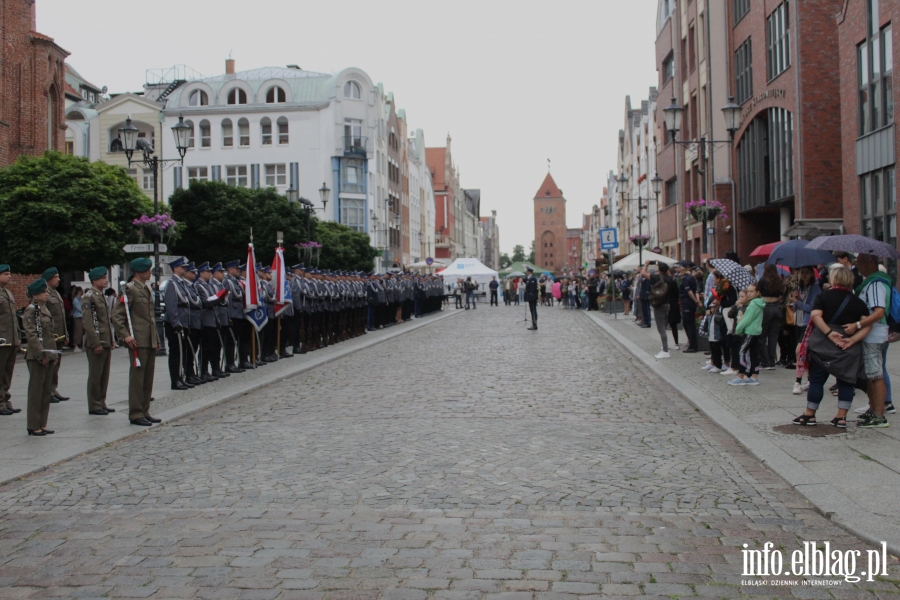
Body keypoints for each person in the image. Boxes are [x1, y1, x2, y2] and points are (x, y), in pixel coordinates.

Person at [791, 266, 871, 428]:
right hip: (847, 346)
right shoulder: (858, 302)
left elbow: (815, 315)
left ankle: (810, 414)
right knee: (846, 381)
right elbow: (867, 325)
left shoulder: (824, 297)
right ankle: (841, 417)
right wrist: (853, 339)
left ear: (833, 279)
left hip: (823, 346)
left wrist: (829, 333)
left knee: (816, 380)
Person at [846, 253, 893, 427]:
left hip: (874, 334)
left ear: (871, 262)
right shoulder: (871, 283)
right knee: (870, 375)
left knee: (875, 374)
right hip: (873, 333)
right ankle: (874, 410)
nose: (857, 265)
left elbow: (878, 312)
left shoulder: (875, 284)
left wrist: (857, 325)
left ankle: (879, 415)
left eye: (860, 262)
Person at [112, 257, 160, 426]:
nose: (150, 273)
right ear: (139, 272)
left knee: (148, 378)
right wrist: (125, 335)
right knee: (138, 379)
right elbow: (117, 315)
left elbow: (151, 318)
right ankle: (135, 413)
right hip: (137, 339)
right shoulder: (130, 289)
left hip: (149, 339)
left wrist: (156, 338)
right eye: (148, 270)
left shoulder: (145, 288)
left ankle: (145, 410)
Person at [23, 278, 58, 436]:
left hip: (48, 354)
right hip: (37, 356)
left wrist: (53, 354)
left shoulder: (43, 308)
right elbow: (32, 335)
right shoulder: (32, 310)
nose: (46, 295)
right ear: (35, 295)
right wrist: (41, 354)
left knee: (46, 391)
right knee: (36, 392)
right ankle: (33, 425)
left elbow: (49, 334)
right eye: (43, 292)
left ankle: (42, 423)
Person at [82, 267, 116, 416]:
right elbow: (89, 322)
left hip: (106, 339)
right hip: (96, 340)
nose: (106, 280)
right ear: (95, 280)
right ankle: (94, 404)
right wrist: (95, 342)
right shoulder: (89, 297)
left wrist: (111, 339)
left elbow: (107, 321)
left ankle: (102, 401)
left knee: (104, 374)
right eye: (103, 278)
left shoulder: (101, 295)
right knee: (95, 375)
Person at [41, 267, 69, 404]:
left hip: (59, 335)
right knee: (50, 364)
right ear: (48, 278)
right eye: (56, 277)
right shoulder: (44, 293)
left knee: (56, 365)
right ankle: (47, 390)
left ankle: (53, 388)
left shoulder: (56, 293)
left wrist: (65, 334)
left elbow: (61, 317)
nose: (58, 279)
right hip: (51, 335)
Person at [729, 283, 764, 386]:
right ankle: (754, 376)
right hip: (755, 332)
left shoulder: (753, 304)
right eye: (748, 291)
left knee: (742, 352)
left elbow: (746, 320)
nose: (749, 293)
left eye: (751, 291)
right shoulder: (759, 303)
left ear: (758, 293)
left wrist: (738, 329)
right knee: (753, 354)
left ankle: (740, 376)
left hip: (749, 332)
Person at [0, 264, 21, 417]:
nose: (9, 276)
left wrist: (17, 337)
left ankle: (5, 400)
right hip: (1, 339)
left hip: (11, 338)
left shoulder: (7, 292)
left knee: (8, 372)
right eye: (6, 274)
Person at [757, 264, 785, 370]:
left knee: (762, 336)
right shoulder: (778, 280)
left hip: (766, 307)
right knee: (773, 337)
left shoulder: (763, 280)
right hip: (777, 307)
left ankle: (765, 362)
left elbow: (758, 292)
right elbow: (782, 293)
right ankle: (772, 361)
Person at [678, 265, 700, 353]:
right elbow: (696, 291)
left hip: (687, 303)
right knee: (690, 324)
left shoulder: (686, 279)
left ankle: (692, 345)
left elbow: (689, 291)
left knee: (688, 325)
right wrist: (697, 301)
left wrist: (695, 301)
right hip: (690, 303)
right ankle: (692, 344)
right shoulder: (692, 278)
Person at [70, 287, 84, 352]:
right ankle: (75, 345)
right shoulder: (75, 299)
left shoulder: (81, 299)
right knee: (78, 331)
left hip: (81, 316)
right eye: (82, 290)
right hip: (77, 316)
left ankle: (80, 344)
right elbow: (80, 308)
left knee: (81, 331)